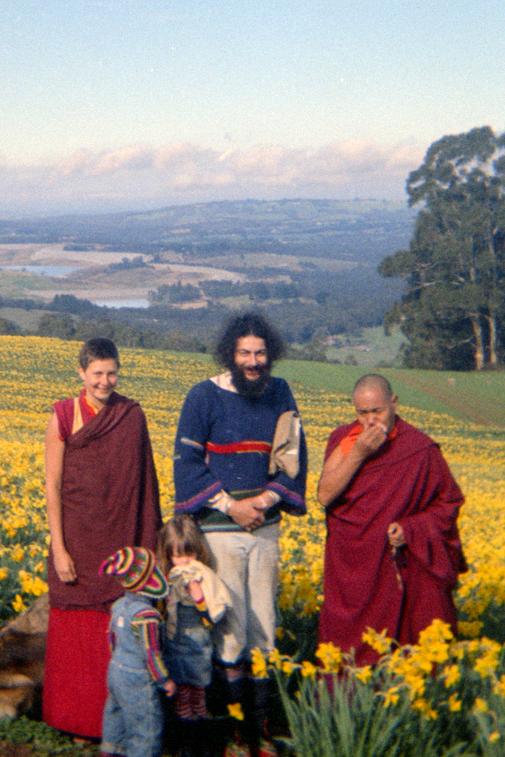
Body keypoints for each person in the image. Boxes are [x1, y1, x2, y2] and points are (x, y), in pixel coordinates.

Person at [173, 312, 308, 757]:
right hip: (220, 531)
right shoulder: (203, 396)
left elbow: (293, 457)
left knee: (264, 626)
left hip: (265, 527)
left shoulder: (280, 393)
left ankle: (261, 731)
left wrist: (263, 503)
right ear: (230, 354)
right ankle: (233, 734)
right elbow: (187, 465)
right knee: (228, 625)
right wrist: (232, 505)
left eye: (261, 353)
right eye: (245, 353)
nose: (253, 362)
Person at [43, 338, 163, 740]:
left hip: (120, 540)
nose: (105, 381)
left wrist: (147, 546)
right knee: (76, 631)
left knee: (115, 631)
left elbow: (145, 483)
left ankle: (114, 723)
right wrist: (59, 548)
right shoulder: (62, 416)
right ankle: (75, 721)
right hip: (77, 537)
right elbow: (53, 485)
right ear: (81, 373)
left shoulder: (131, 415)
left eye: (112, 373)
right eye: (97, 373)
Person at [316, 373, 467, 666]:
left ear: (394, 403)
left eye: (378, 411)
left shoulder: (419, 449)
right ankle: (345, 705)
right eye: (363, 413)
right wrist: (360, 451)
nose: (371, 421)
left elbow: (448, 502)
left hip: (396, 566)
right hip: (352, 566)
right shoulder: (345, 440)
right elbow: (325, 495)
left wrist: (412, 529)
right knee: (346, 645)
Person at [157, 515, 230, 757]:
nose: (184, 560)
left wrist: (198, 596)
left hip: (198, 641)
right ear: (168, 556)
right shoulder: (168, 579)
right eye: (178, 555)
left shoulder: (202, 577)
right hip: (176, 640)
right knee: (181, 687)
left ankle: (199, 734)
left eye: (190, 553)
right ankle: (186, 737)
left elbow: (210, 615)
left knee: (198, 686)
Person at [98, 547, 175, 757]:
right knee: (146, 726)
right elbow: (151, 653)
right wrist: (163, 680)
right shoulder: (147, 615)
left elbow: (112, 639)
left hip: (116, 670)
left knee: (116, 717)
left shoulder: (119, 605)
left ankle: (111, 752)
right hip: (137, 677)